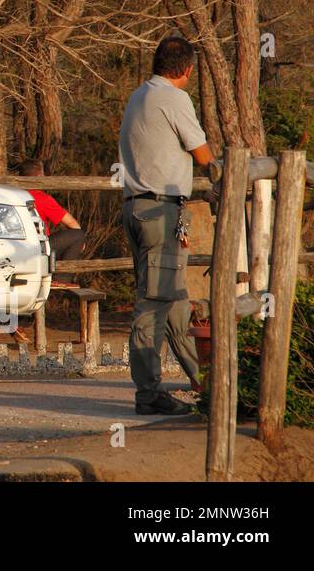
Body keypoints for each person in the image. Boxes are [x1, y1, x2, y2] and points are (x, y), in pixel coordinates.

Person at [118, 36, 216, 415]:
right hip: (160, 211)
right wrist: (221, 173)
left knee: (172, 301)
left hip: (137, 206)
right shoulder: (174, 98)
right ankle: (148, 394)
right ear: (187, 70)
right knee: (151, 306)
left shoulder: (138, 96)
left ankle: (205, 383)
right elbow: (202, 152)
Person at [18, 159, 89, 260]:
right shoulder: (42, 198)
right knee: (78, 235)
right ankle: (63, 275)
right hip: (38, 247)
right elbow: (72, 223)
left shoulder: (13, 194)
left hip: (17, 246)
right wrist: (81, 242)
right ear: (40, 176)